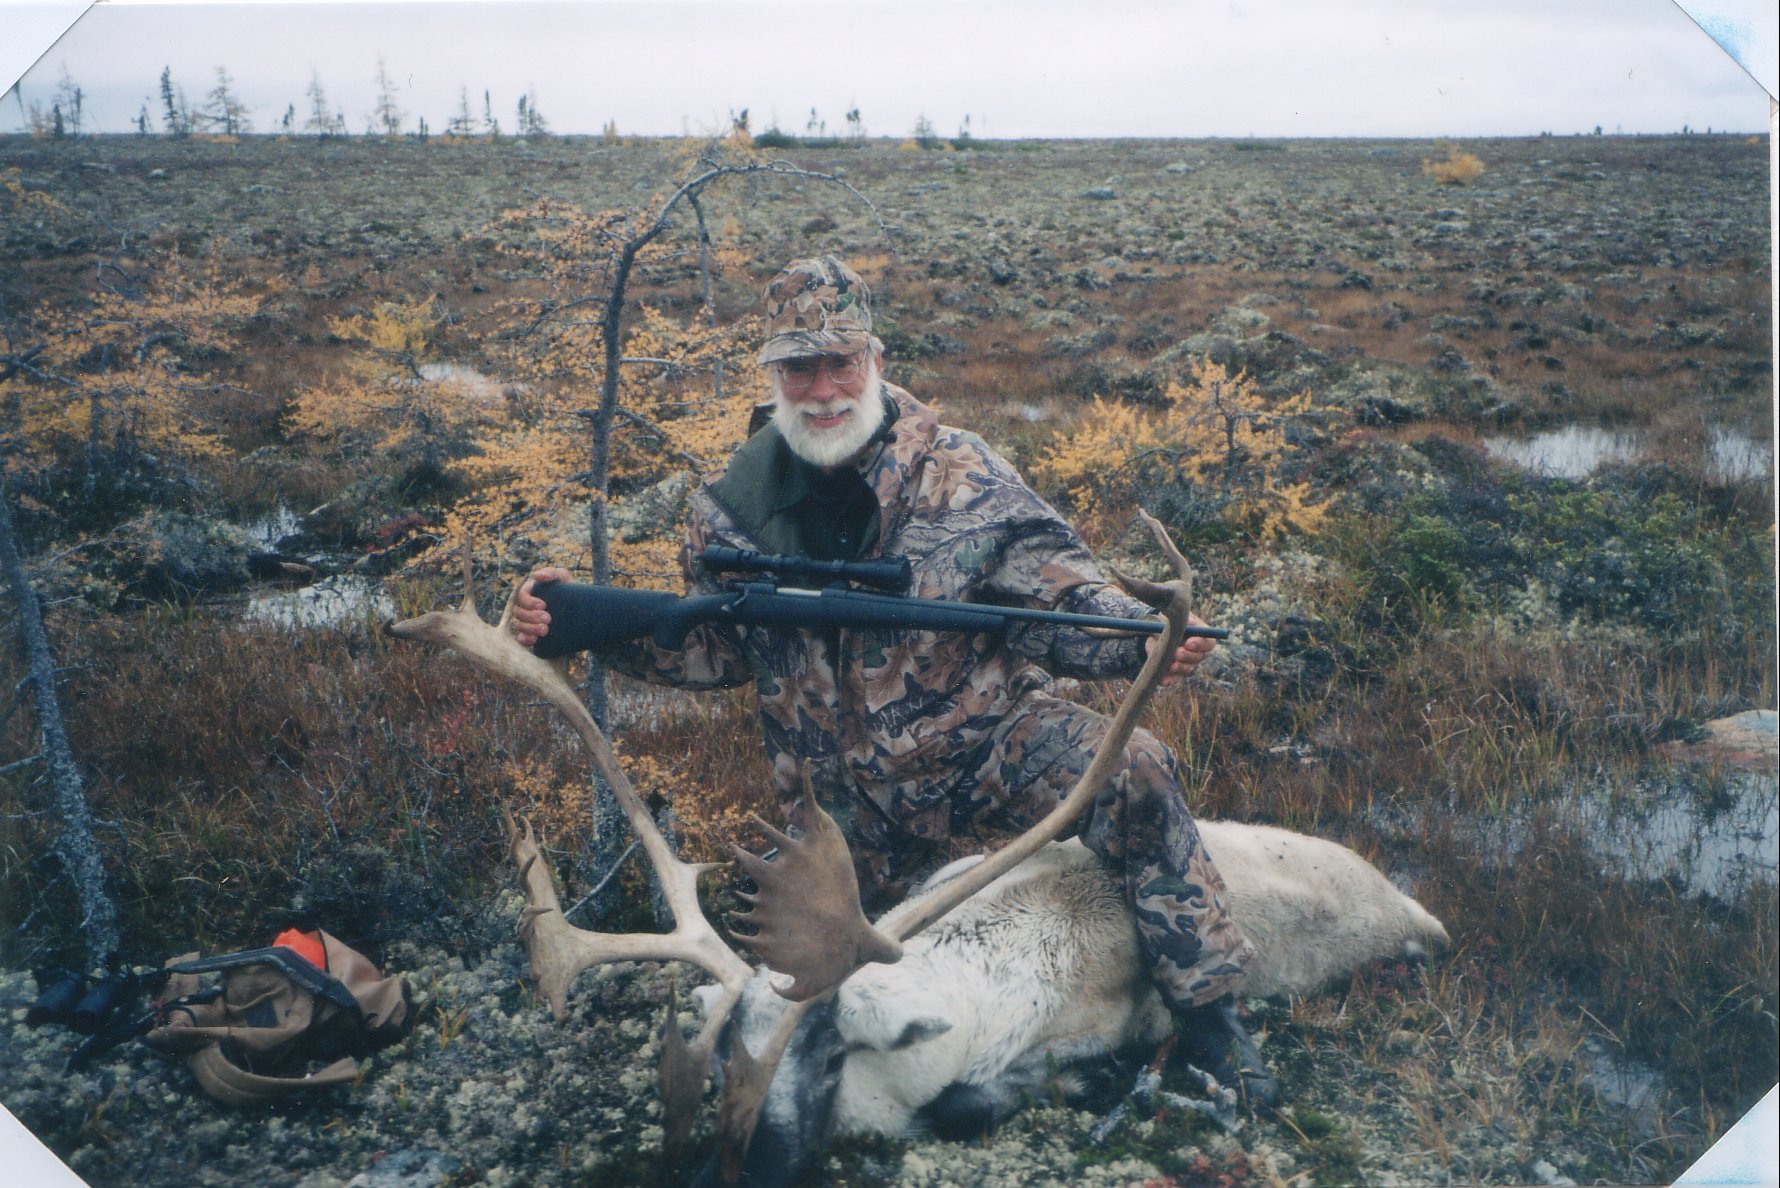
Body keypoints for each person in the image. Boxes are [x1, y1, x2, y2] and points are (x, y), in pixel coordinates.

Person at [509, 256, 1275, 1105]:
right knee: (790, 1009)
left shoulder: (963, 473)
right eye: (801, 366)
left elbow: (1056, 589)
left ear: (874, 361)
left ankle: (1211, 1018)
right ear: (772, 375)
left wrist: (1135, 644)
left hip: (985, 752)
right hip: (833, 813)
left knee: (1136, 768)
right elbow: (713, 650)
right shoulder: (728, 508)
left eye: (843, 362)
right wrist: (571, 633)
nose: (824, 388)